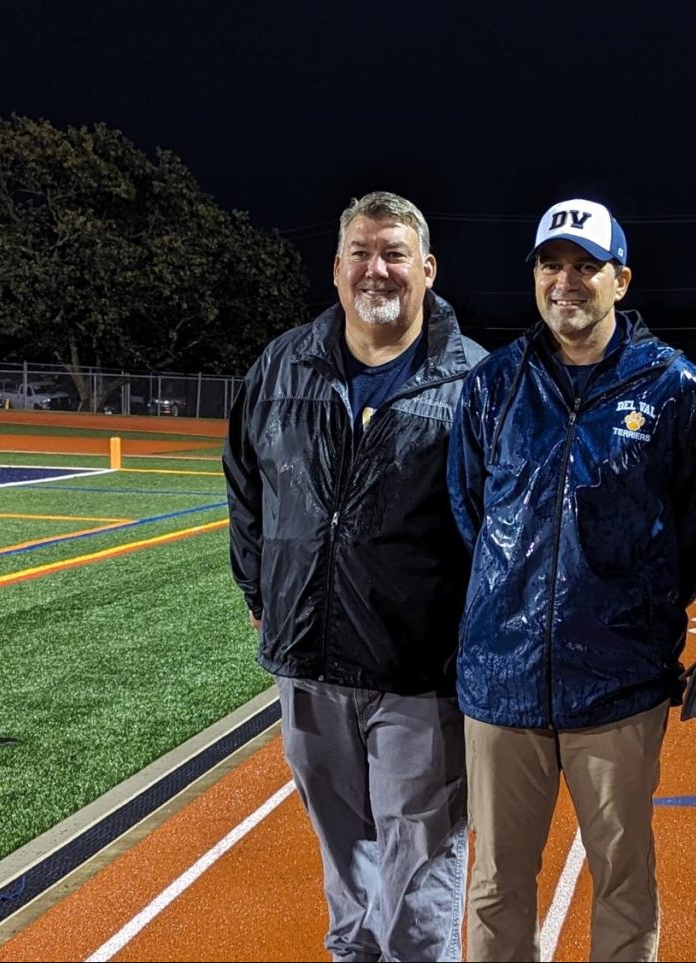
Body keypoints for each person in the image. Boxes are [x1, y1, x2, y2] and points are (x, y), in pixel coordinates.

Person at [447, 198, 696, 962]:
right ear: (535, 276)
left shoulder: (679, 390)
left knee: (623, 882)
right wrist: (515, 602)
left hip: (618, 687)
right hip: (502, 683)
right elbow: (471, 511)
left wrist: (629, 609)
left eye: (585, 266)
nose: (566, 281)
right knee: (497, 884)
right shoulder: (493, 386)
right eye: (552, 264)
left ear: (621, 279)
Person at [223, 191, 486, 962]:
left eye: (395, 254)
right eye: (363, 253)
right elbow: (245, 488)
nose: (378, 269)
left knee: (418, 876)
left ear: (427, 270)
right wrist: (258, 594)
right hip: (309, 666)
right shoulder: (282, 364)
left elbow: (498, 529)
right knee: (347, 875)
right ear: (337, 269)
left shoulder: (475, 383)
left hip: (418, 675)